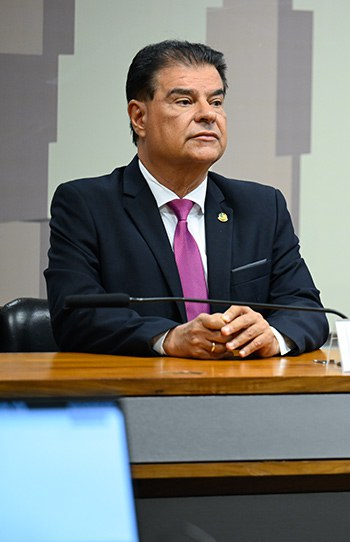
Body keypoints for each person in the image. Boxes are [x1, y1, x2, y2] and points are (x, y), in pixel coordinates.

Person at [45, 40, 329, 358]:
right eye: (184, 101)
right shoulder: (86, 205)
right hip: (140, 397)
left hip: (246, 395)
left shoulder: (262, 206)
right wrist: (167, 339)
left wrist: (272, 336)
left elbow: (307, 310)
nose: (208, 115)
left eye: (217, 102)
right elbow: (74, 316)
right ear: (139, 117)